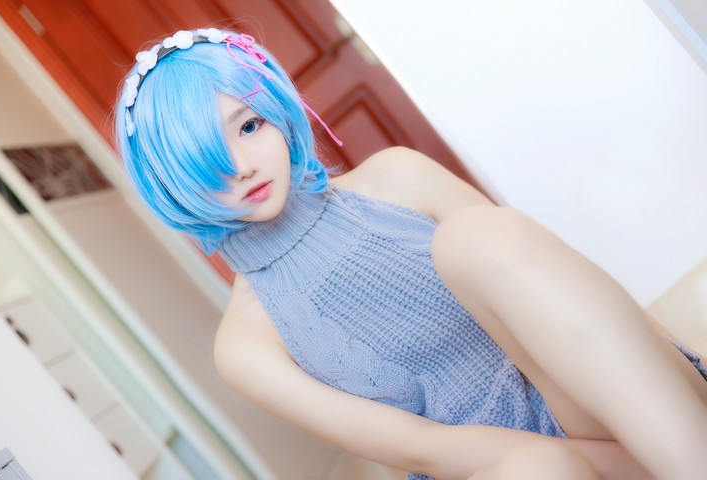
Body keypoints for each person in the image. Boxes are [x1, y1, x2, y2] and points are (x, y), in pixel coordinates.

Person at [115, 28, 707, 479]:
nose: (242, 167)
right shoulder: (245, 345)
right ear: (171, 183)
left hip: (603, 402)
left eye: (248, 127)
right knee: (537, 468)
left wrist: (677, 364)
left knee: (477, 237)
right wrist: (626, 463)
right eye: (204, 160)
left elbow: (573, 290)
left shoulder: (395, 176)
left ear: (276, 111)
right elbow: (424, 449)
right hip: (504, 465)